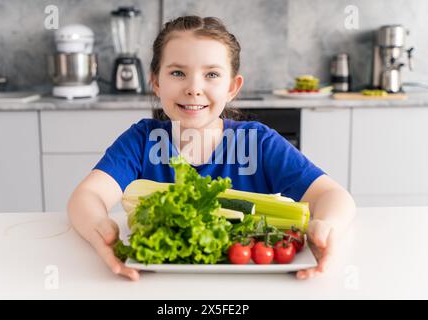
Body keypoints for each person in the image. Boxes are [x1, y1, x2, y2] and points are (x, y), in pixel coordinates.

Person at [67, 16, 356, 281]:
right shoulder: (141, 141)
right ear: (155, 82)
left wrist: (325, 225)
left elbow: (333, 195)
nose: (194, 88)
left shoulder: (259, 142)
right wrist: (100, 230)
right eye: (178, 73)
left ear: (233, 87)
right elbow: (87, 196)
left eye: (212, 75)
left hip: (250, 284)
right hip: (158, 286)